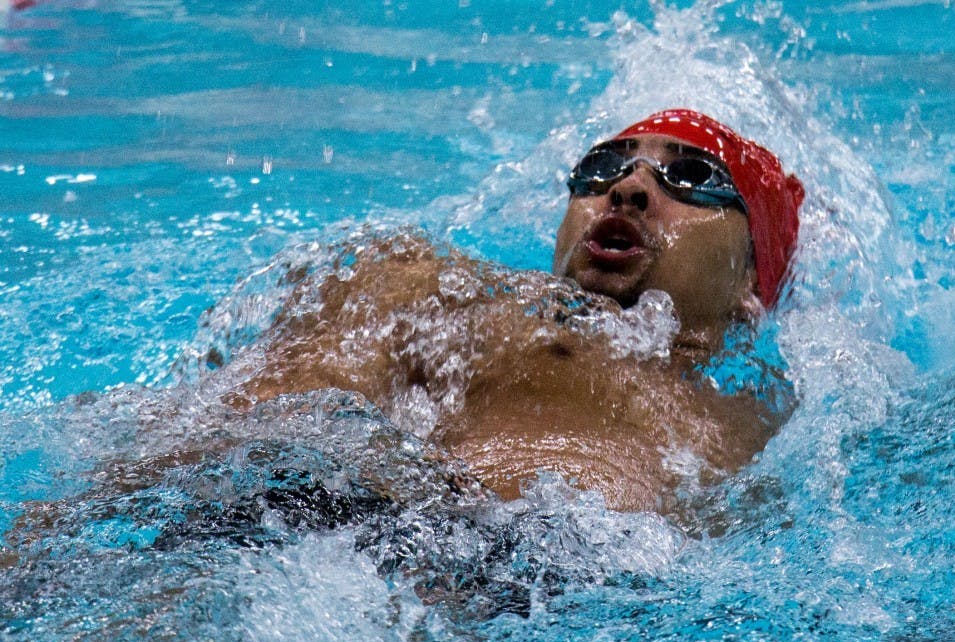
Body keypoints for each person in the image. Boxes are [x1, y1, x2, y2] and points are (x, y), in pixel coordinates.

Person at [228, 108, 805, 515]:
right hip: (356, 525)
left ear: (753, 279)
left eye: (691, 177)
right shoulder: (440, 298)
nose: (628, 188)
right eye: (600, 168)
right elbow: (252, 438)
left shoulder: (781, 430)